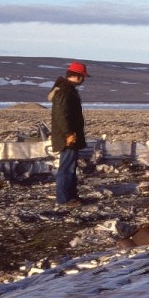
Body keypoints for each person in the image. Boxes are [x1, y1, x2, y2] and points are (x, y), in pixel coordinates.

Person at [48, 61, 90, 206]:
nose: (83, 80)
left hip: (69, 136)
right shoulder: (65, 92)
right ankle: (64, 199)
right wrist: (68, 133)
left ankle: (71, 197)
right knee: (66, 168)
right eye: (83, 76)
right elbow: (61, 115)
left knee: (70, 167)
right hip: (67, 137)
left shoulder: (66, 90)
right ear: (77, 76)